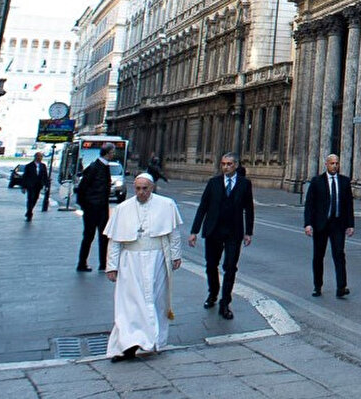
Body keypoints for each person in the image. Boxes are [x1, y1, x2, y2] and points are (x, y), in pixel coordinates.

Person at [103, 173, 183, 363]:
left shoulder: (167, 205)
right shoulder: (123, 208)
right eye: (137, 188)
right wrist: (111, 266)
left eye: (144, 188)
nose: (141, 192)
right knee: (129, 305)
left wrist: (176, 255)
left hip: (156, 260)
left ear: (152, 188)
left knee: (155, 301)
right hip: (130, 262)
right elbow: (114, 241)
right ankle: (127, 345)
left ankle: (152, 341)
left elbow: (173, 234)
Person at [189, 153, 254, 320]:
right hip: (214, 230)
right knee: (211, 265)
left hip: (234, 232)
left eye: (229, 164)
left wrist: (248, 232)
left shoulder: (245, 184)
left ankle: (225, 303)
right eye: (223, 164)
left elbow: (249, 209)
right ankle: (213, 293)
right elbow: (203, 207)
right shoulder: (213, 183)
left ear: (236, 165)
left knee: (230, 267)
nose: (226, 167)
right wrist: (194, 231)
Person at [304, 154, 354, 298]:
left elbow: (348, 204)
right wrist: (308, 224)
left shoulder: (344, 182)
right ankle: (317, 286)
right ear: (326, 164)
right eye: (332, 163)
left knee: (339, 254)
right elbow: (309, 204)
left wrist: (350, 225)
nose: (335, 166)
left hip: (337, 224)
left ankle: (341, 287)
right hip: (320, 224)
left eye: (337, 163)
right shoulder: (317, 182)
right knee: (318, 256)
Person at [76, 142, 115, 272]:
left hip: (102, 208)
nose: (114, 154)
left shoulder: (104, 167)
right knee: (89, 236)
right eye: (112, 152)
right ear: (107, 153)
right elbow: (82, 188)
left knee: (104, 236)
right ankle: (82, 263)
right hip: (92, 208)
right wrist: (85, 206)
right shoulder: (94, 167)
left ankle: (103, 264)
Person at [21, 151, 49, 222]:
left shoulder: (43, 166)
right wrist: (23, 187)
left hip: (38, 185)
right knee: (30, 199)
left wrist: (46, 185)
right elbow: (25, 176)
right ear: (35, 157)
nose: (40, 158)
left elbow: (45, 176)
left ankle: (29, 211)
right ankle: (29, 214)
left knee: (35, 199)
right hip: (30, 185)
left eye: (41, 157)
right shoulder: (29, 166)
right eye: (38, 156)